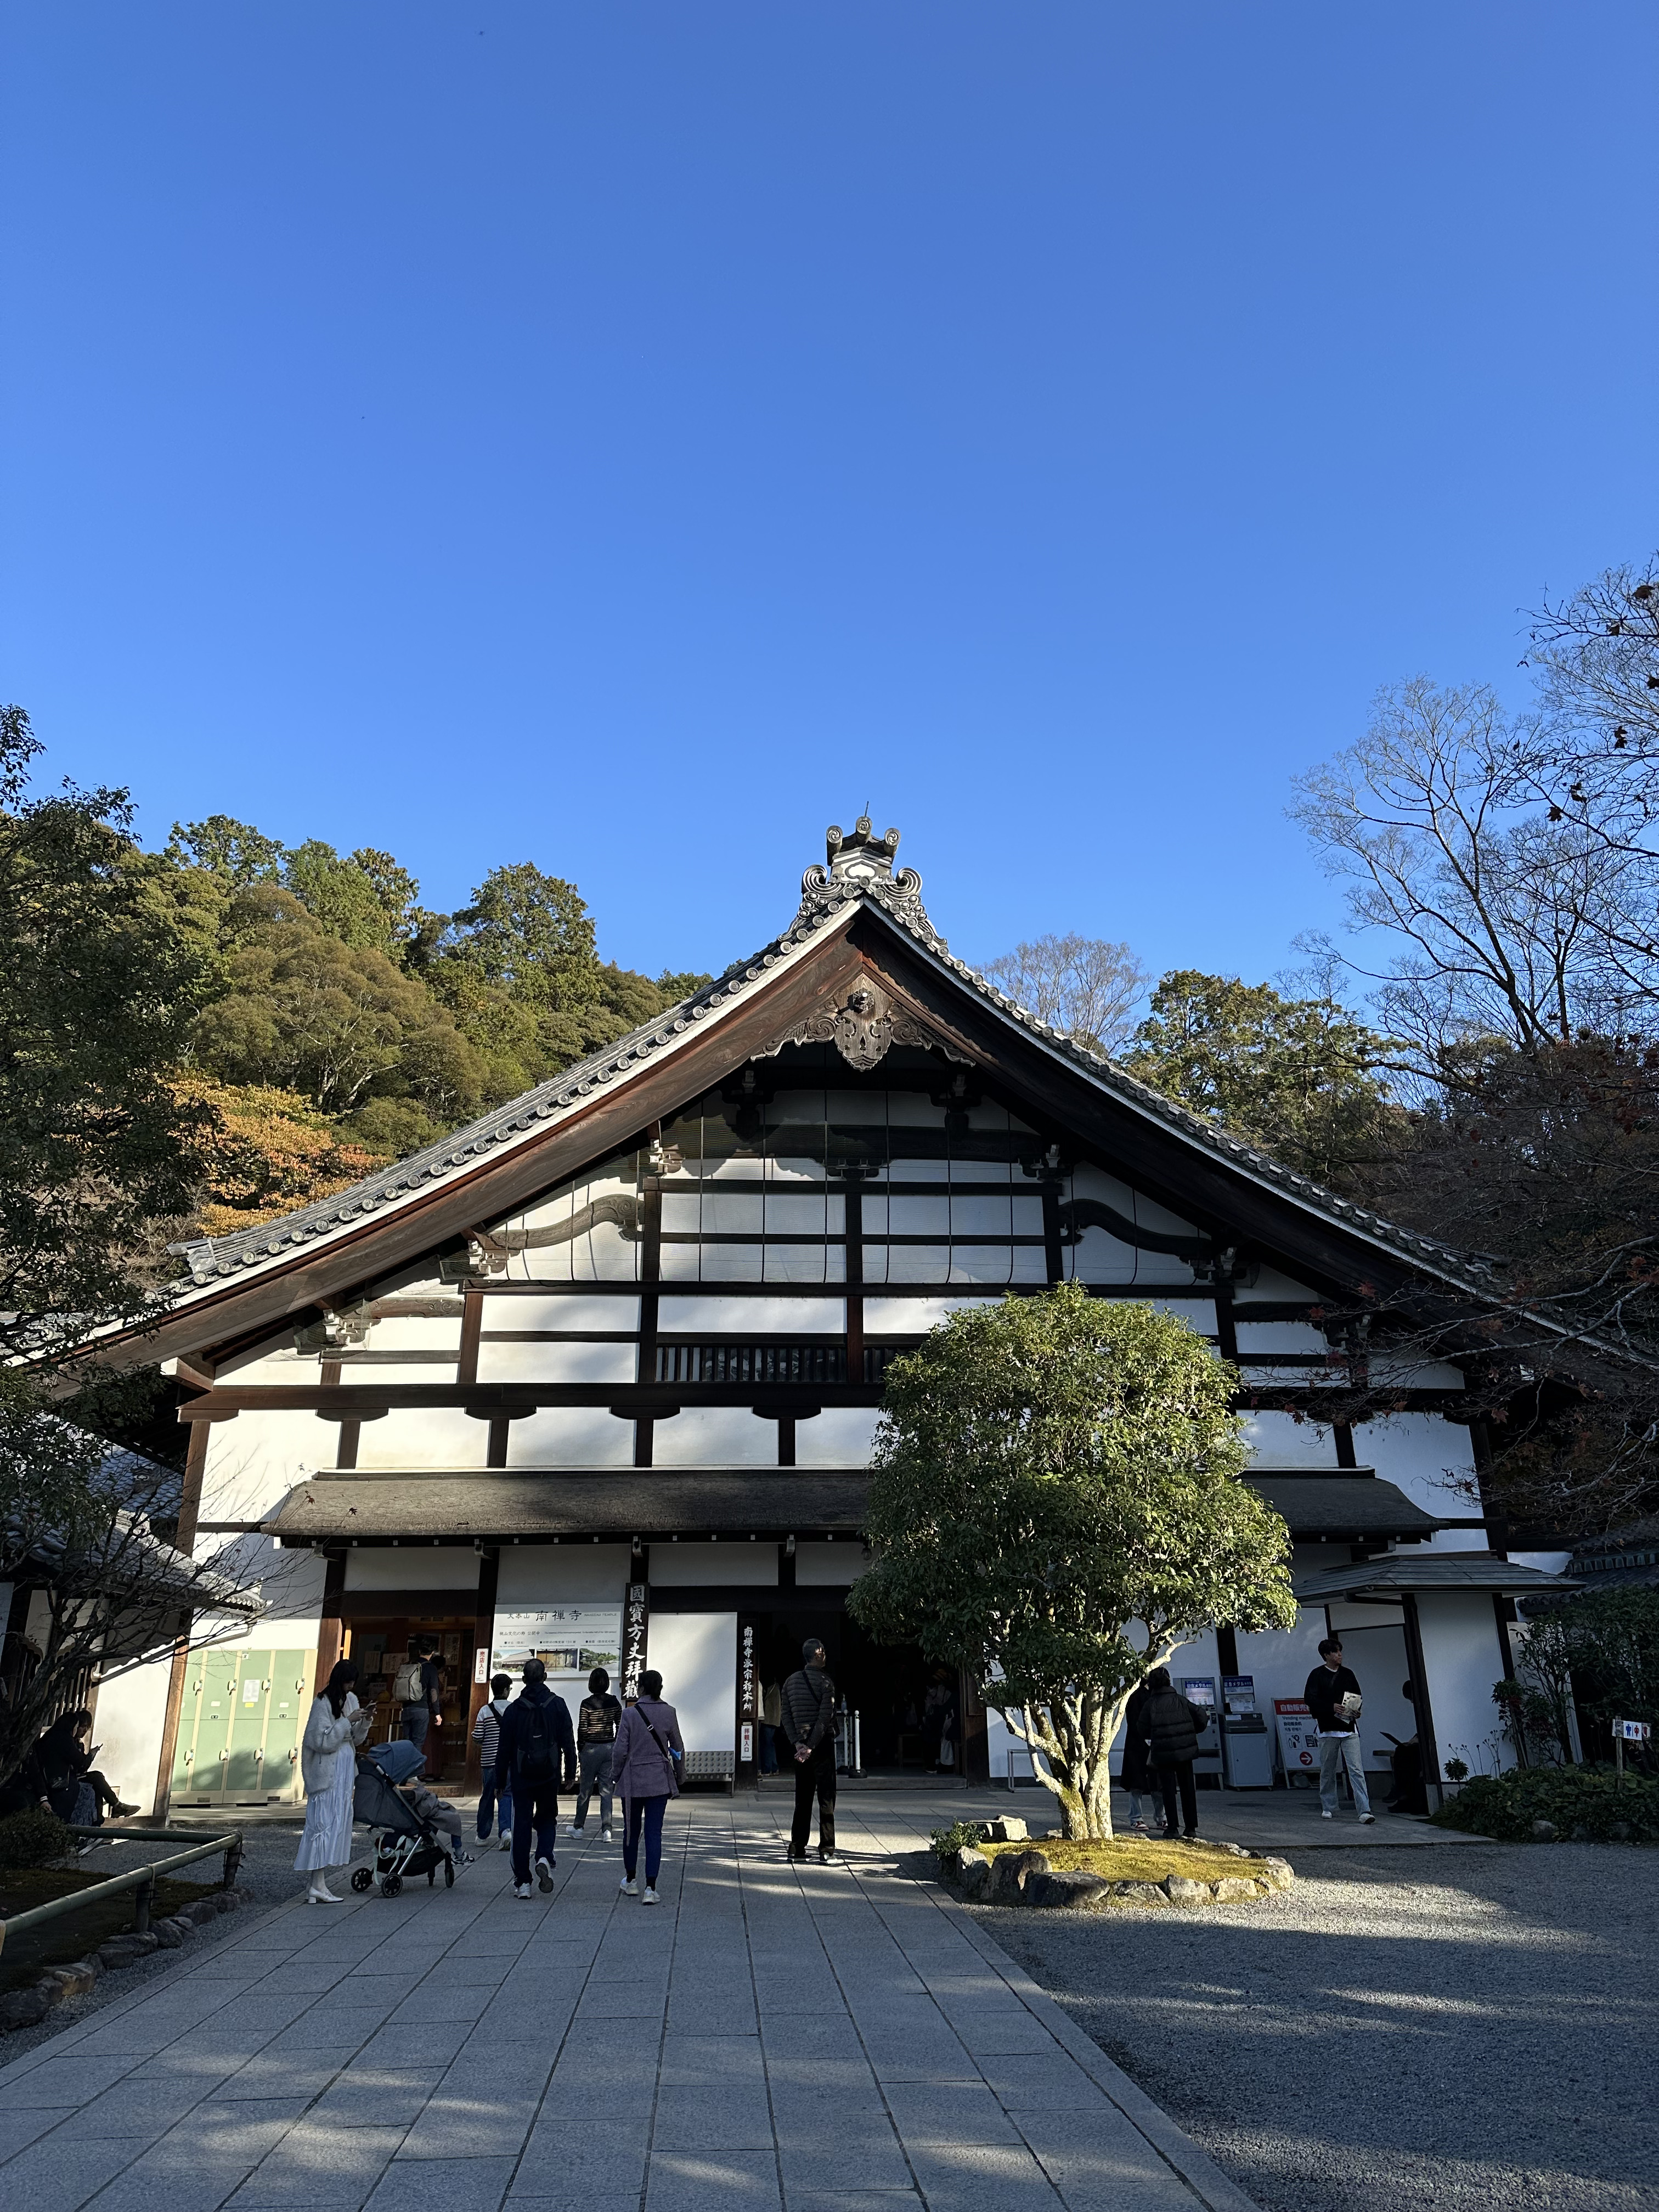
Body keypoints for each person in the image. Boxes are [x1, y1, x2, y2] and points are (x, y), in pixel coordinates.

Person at [493, 1657, 575, 1900]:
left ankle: (523, 1883)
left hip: (521, 1777)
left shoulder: (513, 1710)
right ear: (545, 1677)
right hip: (549, 1775)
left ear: (524, 1680)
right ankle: (544, 1857)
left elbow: (503, 1750)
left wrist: (500, 1782)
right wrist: (570, 1773)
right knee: (548, 1818)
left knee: (521, 1825)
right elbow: (568, 1741)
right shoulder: (557, 1704)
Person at [296, 1658, 369, 1903]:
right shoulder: (322, 1703)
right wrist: (347, 1721)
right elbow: (320, 1741)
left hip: (345, 1769)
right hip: (328, 1771)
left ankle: (316, 1885)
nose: (351, 1687)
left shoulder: (351, 1700)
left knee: (336, 1822)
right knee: (322, 1824)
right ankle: (317, 1884)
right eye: (348, 1682)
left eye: (353, 1682)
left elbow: (356, 1739)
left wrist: (365, 1720)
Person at [610, 1667, 683, 1904]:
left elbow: (620, 1751)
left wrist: (615, 1774)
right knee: (654, 1833)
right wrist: (681, 1775)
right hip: (659, 1781)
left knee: (631, 1831)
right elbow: (678, 1748)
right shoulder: (669, 1712)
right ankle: (651, 1888)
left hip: (632, 1781)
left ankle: (631, 1880)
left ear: (640, 1688)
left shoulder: (629, 1715)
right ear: (660, 1688)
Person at [780, 1637, 839, 1864]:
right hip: (821, 1746)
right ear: (818, 1653)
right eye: (823, 1652)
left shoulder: (790, 1682)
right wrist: (812, 1746)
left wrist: (798, 1744)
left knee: (803, 1799)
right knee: (826, 1798)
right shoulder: (826, 1682)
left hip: (800, 1749)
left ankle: (797, 1848)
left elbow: (786, 1715)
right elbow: (824, 1719)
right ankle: (826, 1849)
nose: (826, 1656)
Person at [1305, 1637, 1375, 1824]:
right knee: (1328, 1770)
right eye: (1335, 1652)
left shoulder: (1348, 1674)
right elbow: (1310, 1699)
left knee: (1356, 1770)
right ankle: (1328, 1806)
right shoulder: (1317, 1675)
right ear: (1326, 1655)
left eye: (1340, 1651)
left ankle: (1364, 1810)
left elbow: (1357, 1696)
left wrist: (1356, 1711)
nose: (1339, 1655)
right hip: (1327, 1729)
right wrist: (1331, 1707)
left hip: (1349, 1728)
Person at [36, 1711, 136, 1825]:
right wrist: (91, 1756)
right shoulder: (65, 1740)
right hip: (62, 1781)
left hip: (70, 1777)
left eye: (87, 1728)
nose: (84, 1730)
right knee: (96, 1779)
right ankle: (112, 1810)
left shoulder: (75, 1742)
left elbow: (81, 1767)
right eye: (82, 1727)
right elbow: (80, 1763)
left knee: (97, 1781)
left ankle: (106, 1815)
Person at [1143, 1666, 1206, 1841]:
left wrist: (1155, 1736)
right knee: (1188, 1789)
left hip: (1164, 1753)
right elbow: (1202, 1716)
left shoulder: (1151, 1704)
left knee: (1168, 1790)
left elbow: (1142, 1728)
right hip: (1185, 1751)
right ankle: (1191, 1827)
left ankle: (1172, 1827)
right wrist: (1191, 1732)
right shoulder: (1181, 1700)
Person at [568, 1666, 623, 1841]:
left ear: (591, 1683)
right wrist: (615, 1744)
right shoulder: (614, 1702)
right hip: (608, 1748)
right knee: (606, 1790)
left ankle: (578, 1827)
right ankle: (607, 1830)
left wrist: (581, 1747)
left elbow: (582, 1729)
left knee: (585, 1790)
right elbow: (620, 1725)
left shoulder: (587, 1704)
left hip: (590, 1749)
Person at [472, 1673, 515, 1851]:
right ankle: (506, 1831)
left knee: (488, 1796)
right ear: (505, 1691)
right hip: (509, 1761)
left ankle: (483, 1835)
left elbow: (477, 1736)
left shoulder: (484, 1711)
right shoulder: (514, 1709)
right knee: (507, 1794)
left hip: (489, 1761)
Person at [398, 1638, 444, 1771]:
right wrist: (437, 1713)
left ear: (419, 1651)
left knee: (407, 1742)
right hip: (421, 1709)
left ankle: (403, 1772)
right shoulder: (430, 1668)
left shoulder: (408, 1665)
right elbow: (434, 1692)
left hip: (406, 1708)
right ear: (433, 1653)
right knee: (418, 1743)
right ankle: (413, 1774)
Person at [1119, 1678, 1156, 1833]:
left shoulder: (1134, 1696)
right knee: (1156, 1784)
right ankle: (1160, 1817)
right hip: (1147, 1744)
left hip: (1137, 1745)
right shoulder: (1151, 1695)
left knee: (1138, 1784)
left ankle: (1137, 1818)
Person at [758, 1678, 781, 1775]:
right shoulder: (776, 1688)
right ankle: (774, 1768)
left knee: (766, 1744)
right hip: (773, 1719)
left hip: (768, 1719)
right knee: (770, 1744)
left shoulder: (771, 1687)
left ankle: (767, 1769)